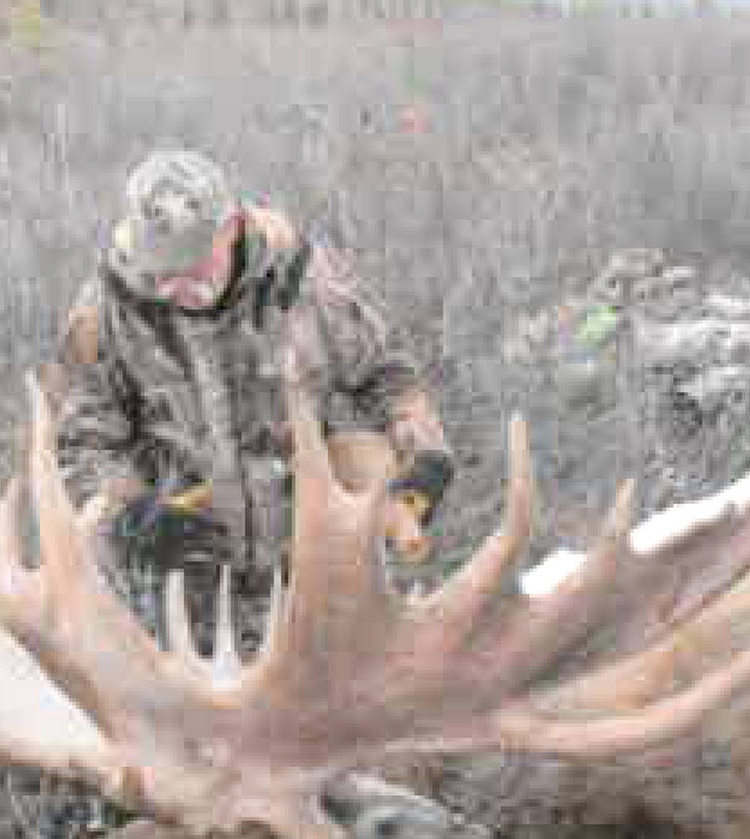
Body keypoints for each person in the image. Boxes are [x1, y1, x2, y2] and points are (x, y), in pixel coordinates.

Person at [48, 148, 453, 621]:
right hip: (183, 582)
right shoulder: (107, 312)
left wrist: (423, 453)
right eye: (163, 276)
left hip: (314, 566)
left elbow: (389, 377)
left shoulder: (304, 281)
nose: (182, 288)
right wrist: (131, 520)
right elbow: (79, 446)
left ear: (232, 227)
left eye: (197, 269)